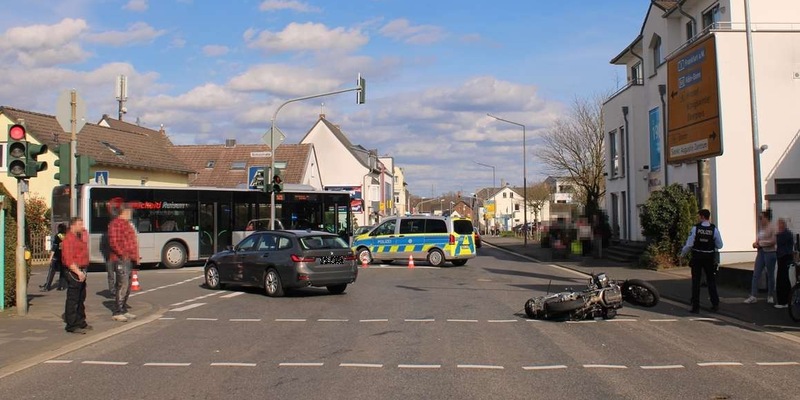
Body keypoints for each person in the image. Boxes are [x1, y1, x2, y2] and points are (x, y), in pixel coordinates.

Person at [680, 209, 723, 313]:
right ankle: (715, 304)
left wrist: (682, 254)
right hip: (709, 257)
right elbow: (720, 245)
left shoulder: (695, 229)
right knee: (711, 281)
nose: (698, 218)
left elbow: (689, 244)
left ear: (702, 216)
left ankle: (695, 306)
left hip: (697, 257)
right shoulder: (714, 230)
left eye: (699, 216)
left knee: (696, 281)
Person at [108, 204, 139, 322]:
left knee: (128, 284)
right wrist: (123, 254)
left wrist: (134, 256)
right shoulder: (115, 224)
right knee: (122, 284)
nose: (131, 214)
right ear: (124, 212)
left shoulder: (127, 224)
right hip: (121, 258)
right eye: (129, 212)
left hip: (129, 258)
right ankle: (118, 311)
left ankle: (124, 309)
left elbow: (132, 241)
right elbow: (114, 242)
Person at [61, 217, 91, 334]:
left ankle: (80, 321)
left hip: (81, 269)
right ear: (72, 225)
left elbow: (85, 238)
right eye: (79, 224)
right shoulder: (69, 239)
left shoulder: (78, 237)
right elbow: (68, 259)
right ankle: (71, 324)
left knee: (81, 297)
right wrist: (78, 272)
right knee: (73, 298)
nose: (82, 227)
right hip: (74, 271)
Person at [744, 209, 777, 304]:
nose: (760, 220)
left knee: (770, 274)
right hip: (761, 252)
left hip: (770, 252)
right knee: (756, 274)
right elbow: (758, 239)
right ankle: (753, 295)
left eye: (761, 218)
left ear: (766, 218)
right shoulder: (761, 228)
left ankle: (770, 295)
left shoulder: (772, 227)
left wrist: (761, 243)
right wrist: (755, 243)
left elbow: (773, 241)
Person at [40, 223, 67, 292]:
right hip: (64, 256)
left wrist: (50, 257)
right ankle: (61, 286)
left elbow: (54, 247)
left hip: (57, 256)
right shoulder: (67, 236)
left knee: (52, 271)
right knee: (62, 272)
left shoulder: (58, 236)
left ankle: (47, 286)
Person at [774, 218, 795, 309]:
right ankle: (785, 300)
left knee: (782, 279)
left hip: (785, 257)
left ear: (783, 224)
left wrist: (776, 234)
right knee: (783, 278)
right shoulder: (784, 233)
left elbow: (778, 241)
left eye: (779, 224)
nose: (778, 226)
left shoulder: (785, 234)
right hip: (782, 257)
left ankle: (784, 301)